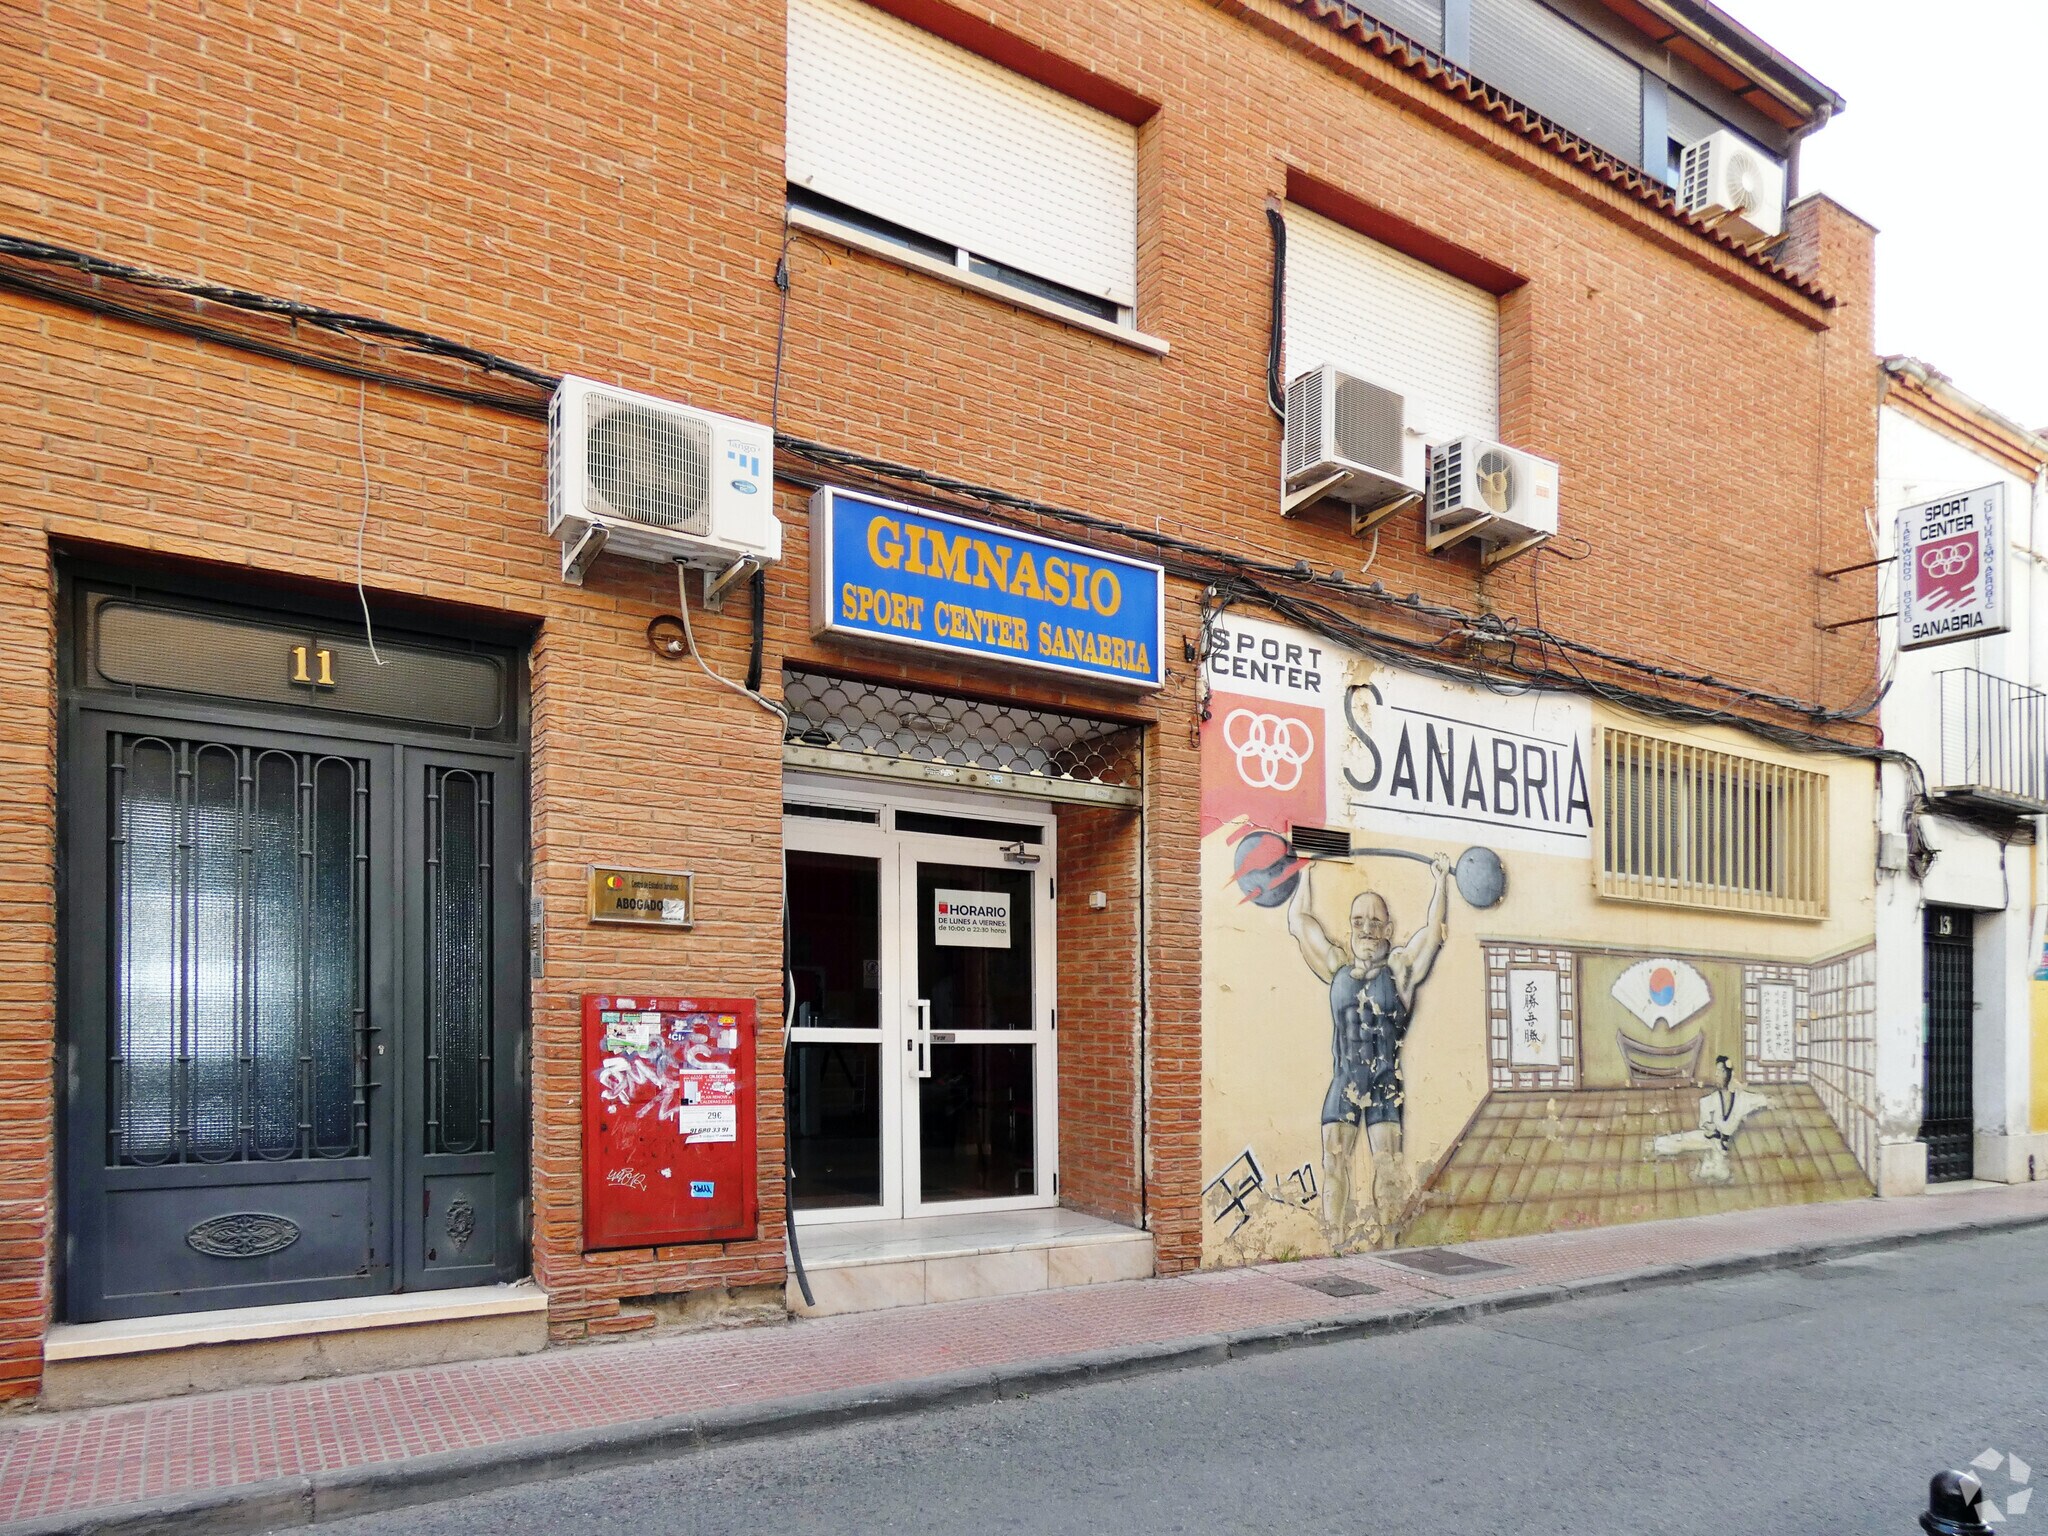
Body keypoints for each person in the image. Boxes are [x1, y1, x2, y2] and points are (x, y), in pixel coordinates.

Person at [1286, 852, 1451, 1249]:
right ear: (1350, 926)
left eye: (1375, 922)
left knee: (1387, 1164)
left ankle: (1389, 1242)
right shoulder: (1336, 966)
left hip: (1383, 1084)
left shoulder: (1400, 970)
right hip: (1344, 1080)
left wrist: (1440, 880)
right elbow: (1299, 922)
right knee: (1334, 1161)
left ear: (1388, 928)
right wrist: (1304, 873)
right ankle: (1335, 1244)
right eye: (1359, 921)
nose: (1366, 929)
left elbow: (1432, 932)